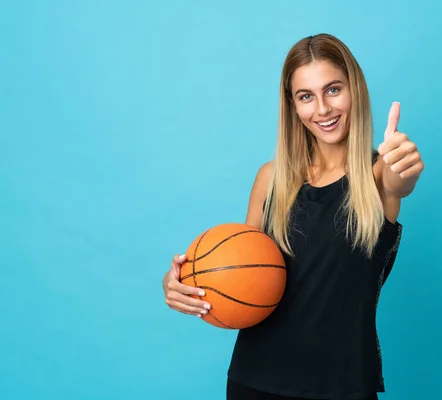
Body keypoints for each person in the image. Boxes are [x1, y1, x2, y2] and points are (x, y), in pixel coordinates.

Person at [163, 33, 424, 400]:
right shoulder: (270, 179)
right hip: (253, 381)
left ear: (356, 89)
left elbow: (402, 182)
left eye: (333, 90)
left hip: (342, 387)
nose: (322, 109)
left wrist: (404, 163)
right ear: (292, 106)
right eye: (306, 96)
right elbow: (238, 272)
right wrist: (182, 283)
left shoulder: (378, 177)